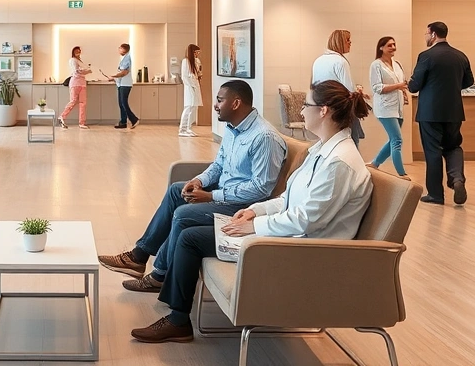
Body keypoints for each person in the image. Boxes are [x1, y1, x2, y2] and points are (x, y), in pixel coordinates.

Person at [130, 79, 374, 343]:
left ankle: (177, 319)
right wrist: (255, 212)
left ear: (324, 111)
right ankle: (174, 310)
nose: (301, 111)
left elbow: (306, 220)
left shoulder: (340, 163)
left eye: (306, 105)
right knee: (189, 229)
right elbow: (288, 200)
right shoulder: (321, 151)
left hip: (303, 251)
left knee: (190, 237)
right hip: (288, 235)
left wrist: (255, 226)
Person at [98, 80, 287, 293]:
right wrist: (199, 181)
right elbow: (218, 165)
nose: (215, 105)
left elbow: (260, 189)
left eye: (219, 100)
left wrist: (211, 196)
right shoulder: (234, 129)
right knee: (175, 191)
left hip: (244, 209)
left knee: (183, 214)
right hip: (227, 196)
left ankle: (159, 276)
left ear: (235, 103)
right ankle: (138, 256)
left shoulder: (264, 137)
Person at [408, 21, 474, 205]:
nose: (426, 37)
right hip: (453, 110)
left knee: (433, 151)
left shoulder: (426, 56)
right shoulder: (460, 56)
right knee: (453, 146)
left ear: (433, 34)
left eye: (426, 34)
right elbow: (469, 81)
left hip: (430, 112)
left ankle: (436, 195)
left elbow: (414, 86)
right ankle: (457, 179)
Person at [312, 29, 369, 146]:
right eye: (347, 40)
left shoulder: (318, 61)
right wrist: (358, 91)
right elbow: (349, 90)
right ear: (339, 42)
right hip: (341, 109)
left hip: (323, 108)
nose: (350, 43)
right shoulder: (341, 62)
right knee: (351, 142)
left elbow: (315, 86)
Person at [368, 36, 409, 176]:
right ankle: (402, 174)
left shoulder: (397, 64)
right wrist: (399, 86)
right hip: (385, 108)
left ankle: (375, 163)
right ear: (381, 48)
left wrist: (403, 90)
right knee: (397, 140)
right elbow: (377, 87)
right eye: (389, 45)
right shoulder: (376, 65)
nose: (393, 47)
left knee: (393, 139)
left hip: (398, 107)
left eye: (394, 44)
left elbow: (403, 82)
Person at [105, 43, 139, 129]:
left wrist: (114, 76)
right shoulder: (123, 59)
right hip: (121, 84)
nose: (119, 50)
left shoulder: (127, 58)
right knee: (121, 103)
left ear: (124, 49)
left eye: (120, 48)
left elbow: (124, 73)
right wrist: (114, 79)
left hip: (125, 84)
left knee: (124, 103)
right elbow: (121, 72)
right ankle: (123, 122)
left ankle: (134, 119)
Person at [59, 46, 92, 129]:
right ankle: (62, 116)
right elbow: (76, 72)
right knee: (73, 101)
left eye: (79, 51)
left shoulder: (80, 61)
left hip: (82, 83)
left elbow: (81, 70)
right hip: (75, 83)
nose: (78, 52)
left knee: (83, 103)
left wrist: (86, 71)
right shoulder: (72, 60)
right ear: (73, 52)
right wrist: (86, 72)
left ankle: (82, 122)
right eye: (76, 51)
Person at [179, 44, 203, 137]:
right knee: (188, 107)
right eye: (197, 52)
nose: (198, 54)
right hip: (190, 87)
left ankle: (189, 128)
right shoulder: (185, 61)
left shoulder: (196, 61)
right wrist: (192, 86)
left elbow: (198, 73)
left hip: (195, 86)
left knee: (194, 108)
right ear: (193, 52)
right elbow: (184, 77)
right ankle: (183, 129)